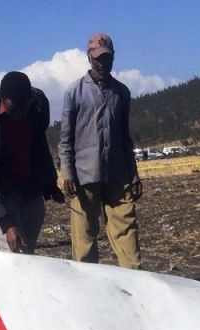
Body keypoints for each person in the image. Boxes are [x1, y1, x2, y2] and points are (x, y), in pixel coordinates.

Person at [60, 33, 142, 269]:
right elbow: (65, 139)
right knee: (84, 243)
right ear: (88, 57)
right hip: (84, 176)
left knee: (127, 235)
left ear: (113, 58)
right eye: (97, 59)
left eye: (107, 59)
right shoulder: (74, 92)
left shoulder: (122, 93)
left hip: (118, 175)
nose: (102, 63)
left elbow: (126, 138)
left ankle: (134, 289)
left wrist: (134, 174)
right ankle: (87, 293)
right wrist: (67, 173)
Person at [0, 71, 65, 255]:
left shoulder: (38, 109)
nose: (18, 115)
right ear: (2, 101)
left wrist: (50, 184)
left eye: (22, 109)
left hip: (31, 192)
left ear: (29, 100)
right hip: (5, 195)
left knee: (27, 253)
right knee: (13, 256)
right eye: (12, 111)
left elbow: (40, 148)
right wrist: (6, 223)